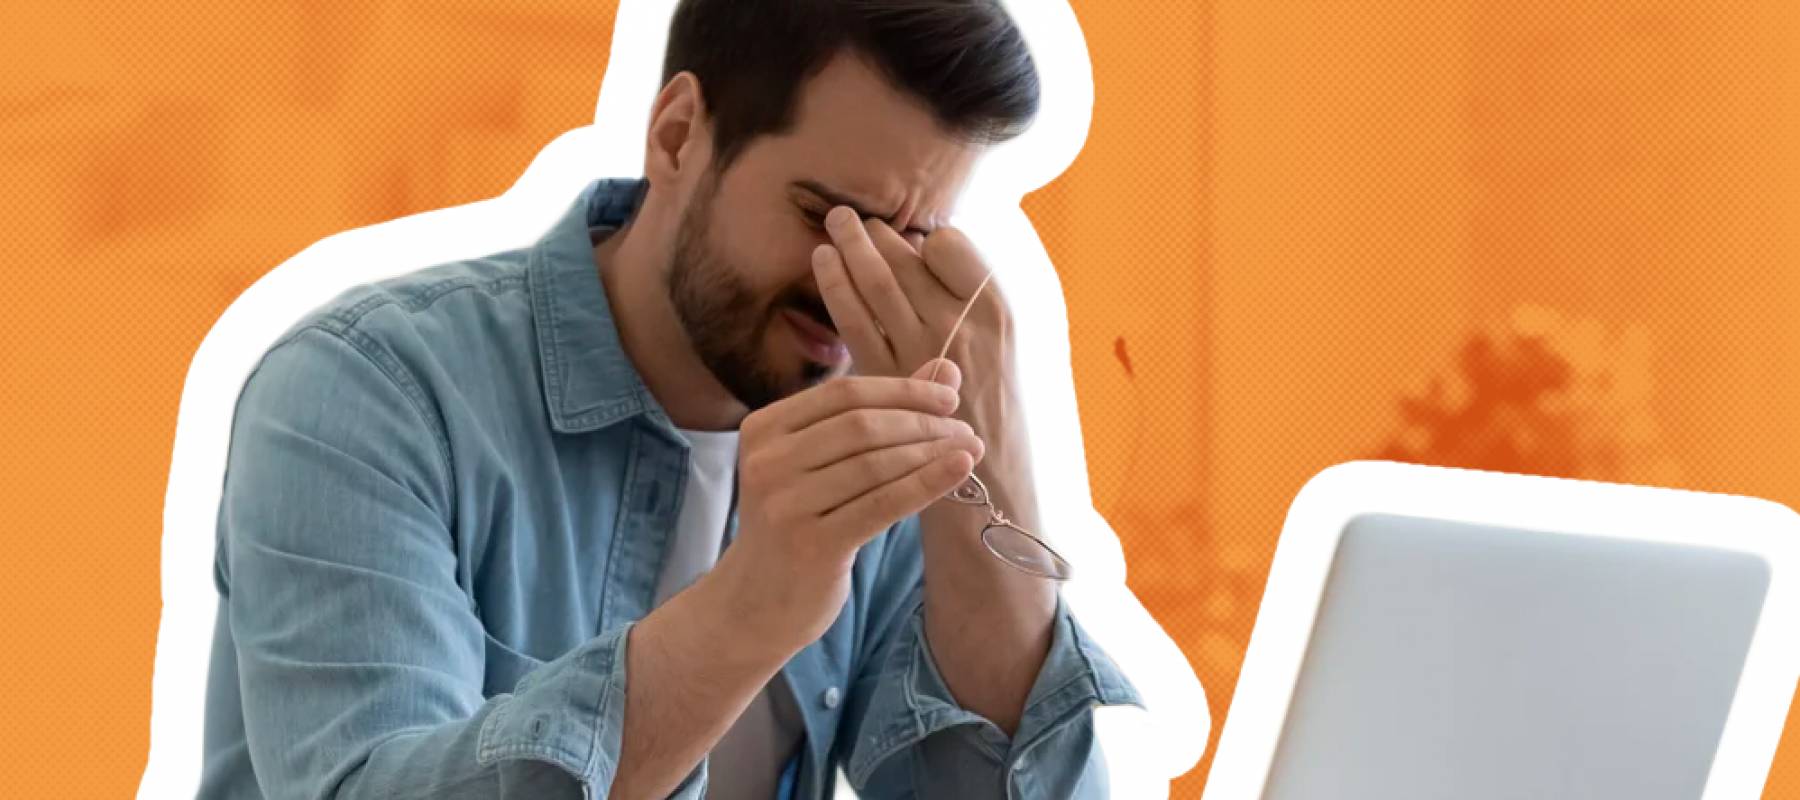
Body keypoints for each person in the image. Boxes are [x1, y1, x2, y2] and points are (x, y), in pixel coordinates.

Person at [199, 1, 1140, 797]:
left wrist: (999, 461)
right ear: (678, 136)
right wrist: (753, 607)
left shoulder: (879, 431)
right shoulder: (363, 392)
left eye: (913, 238)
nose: (855, 284)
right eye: (824, 217)